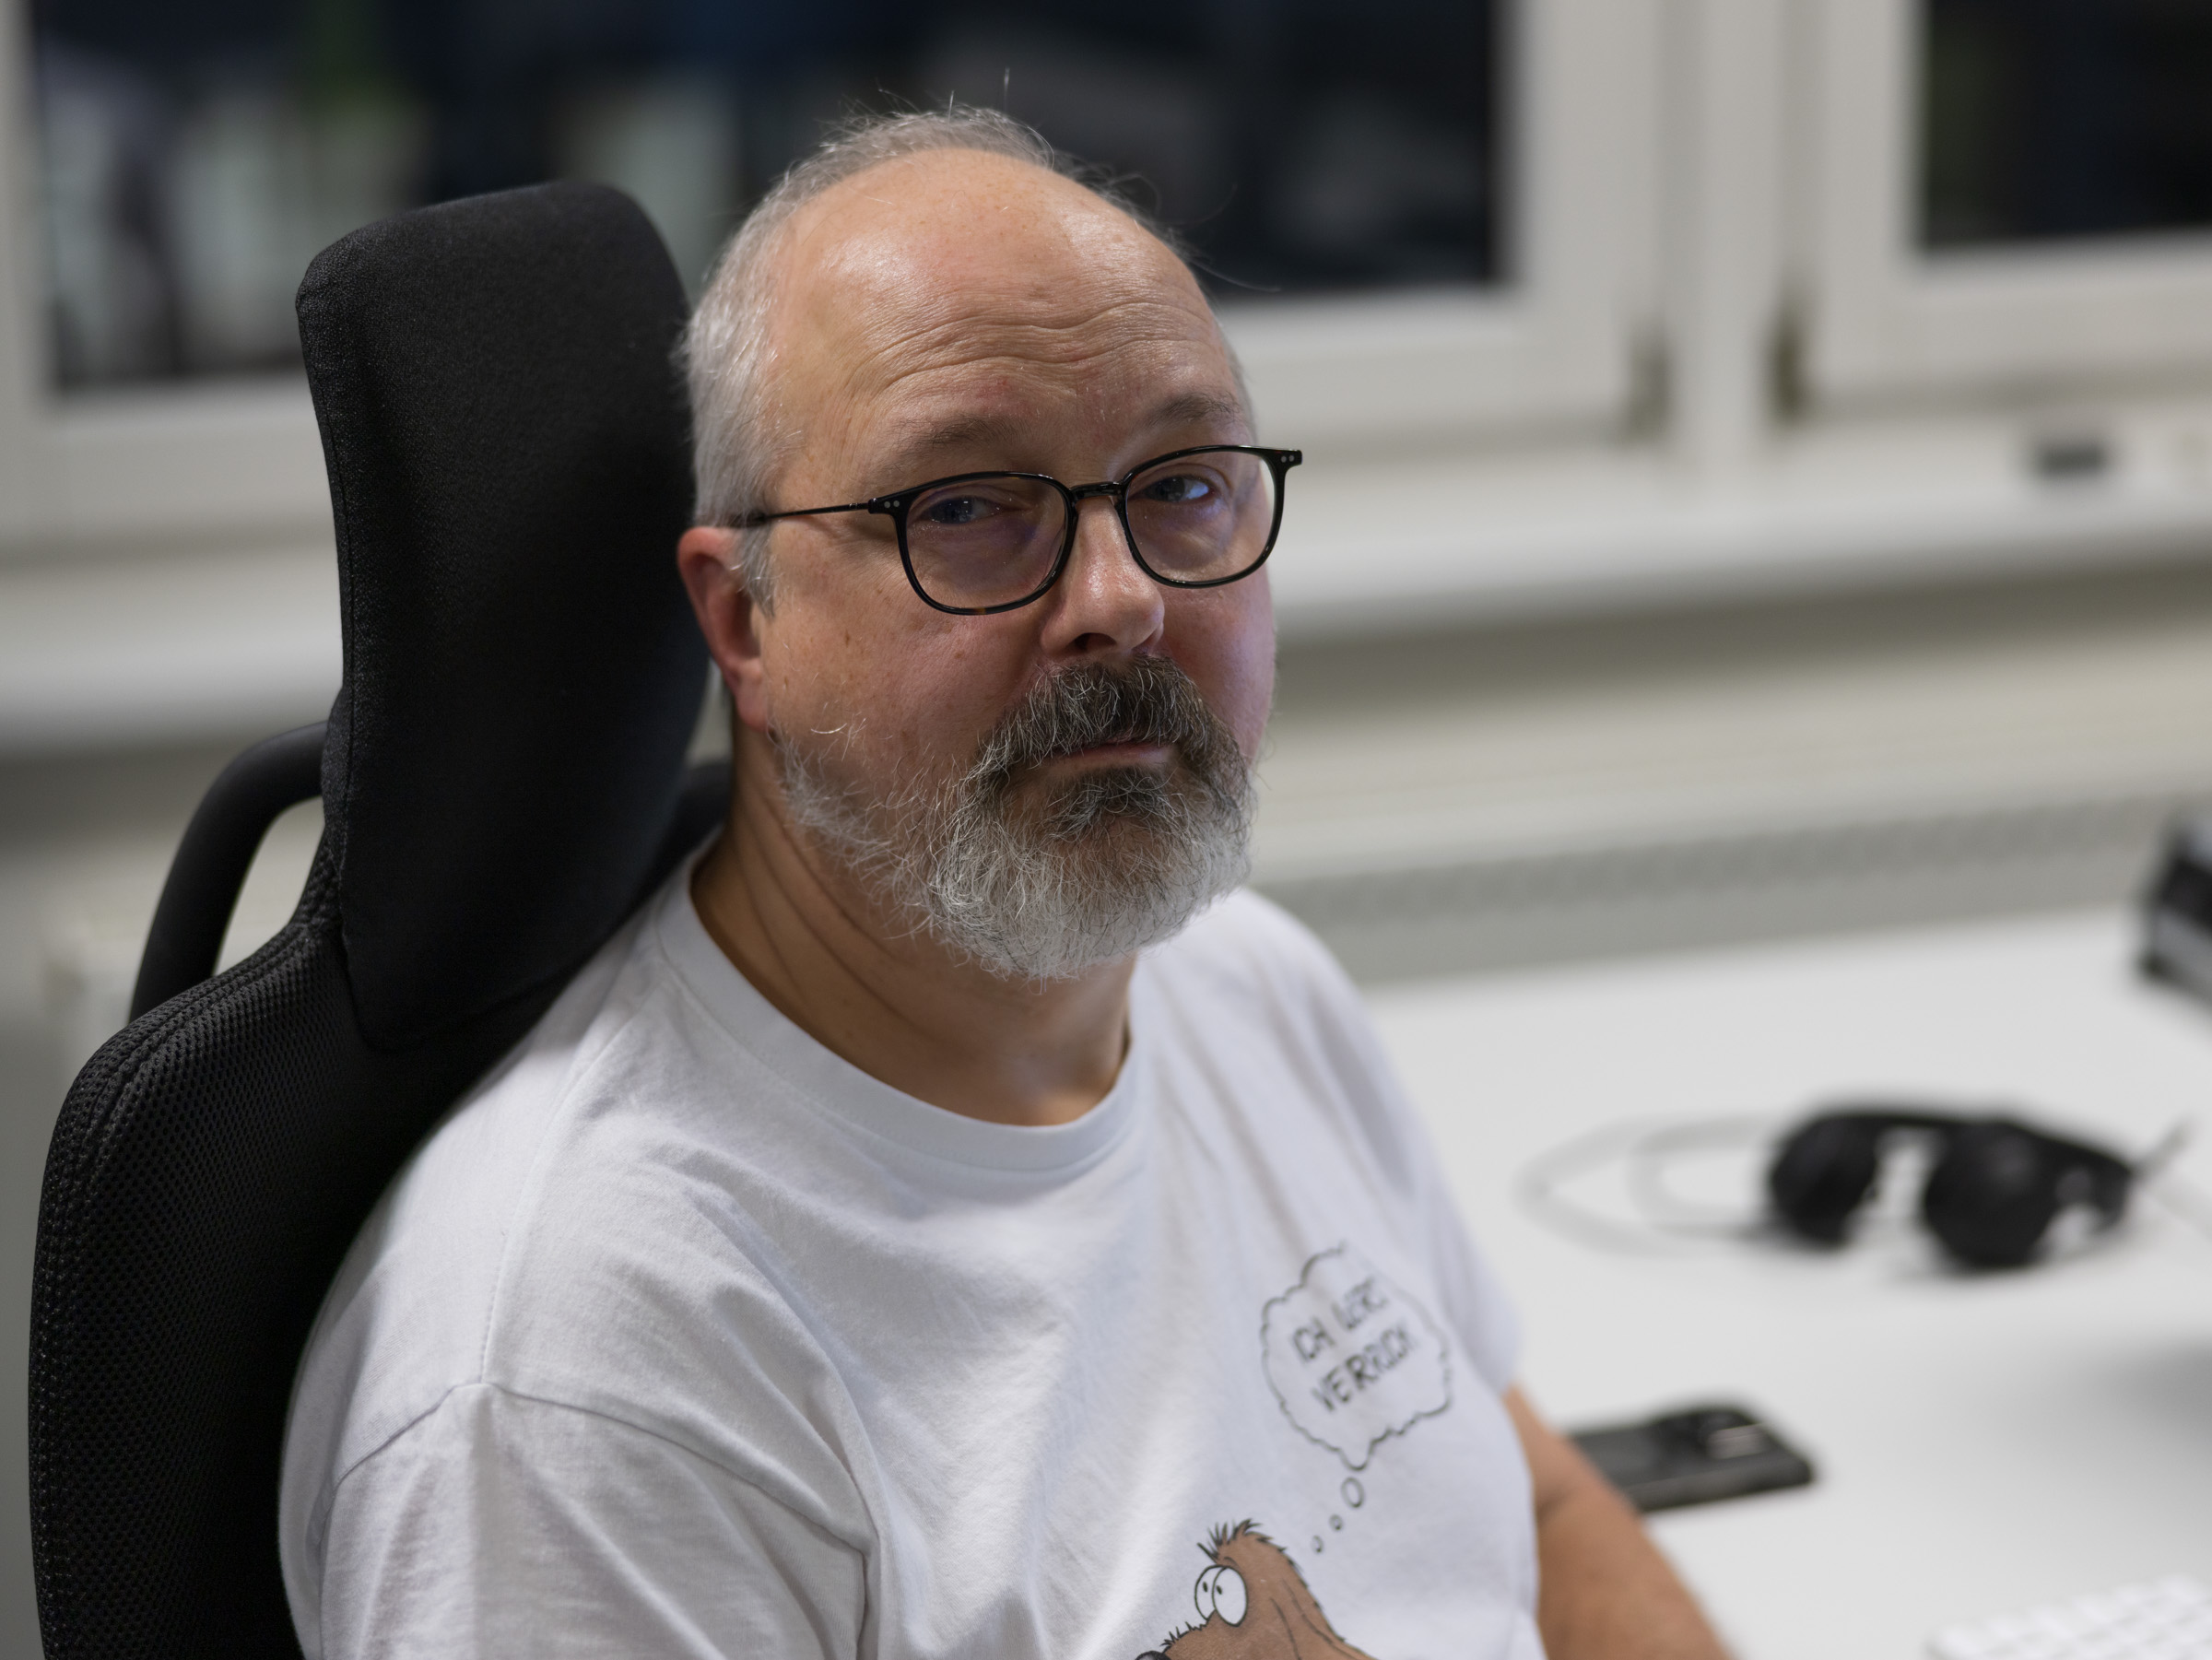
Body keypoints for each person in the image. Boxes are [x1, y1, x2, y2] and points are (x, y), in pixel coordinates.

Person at [278, 109, 1729, 1660]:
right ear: (746, 620)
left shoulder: (1248, 982)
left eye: (1184, 484)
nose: (1120, 598)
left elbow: (1538, 1505)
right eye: (965, 508)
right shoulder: (581, 1385)